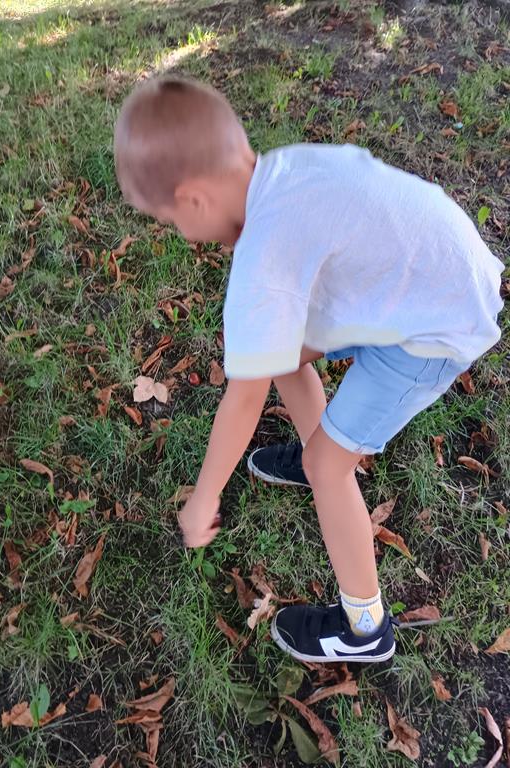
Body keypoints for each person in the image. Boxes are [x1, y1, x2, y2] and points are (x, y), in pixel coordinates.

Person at [114, 75, 503, 662]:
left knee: (328, 465)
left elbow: (243, 401)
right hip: (433, 274)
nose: (182, 233)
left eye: (171, 220)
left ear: (193, 199)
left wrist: (203, 498)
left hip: (436, 329)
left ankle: (365, 629)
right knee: (281, 349)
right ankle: (314, 446)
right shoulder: (283, 171)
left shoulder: (263, 260)